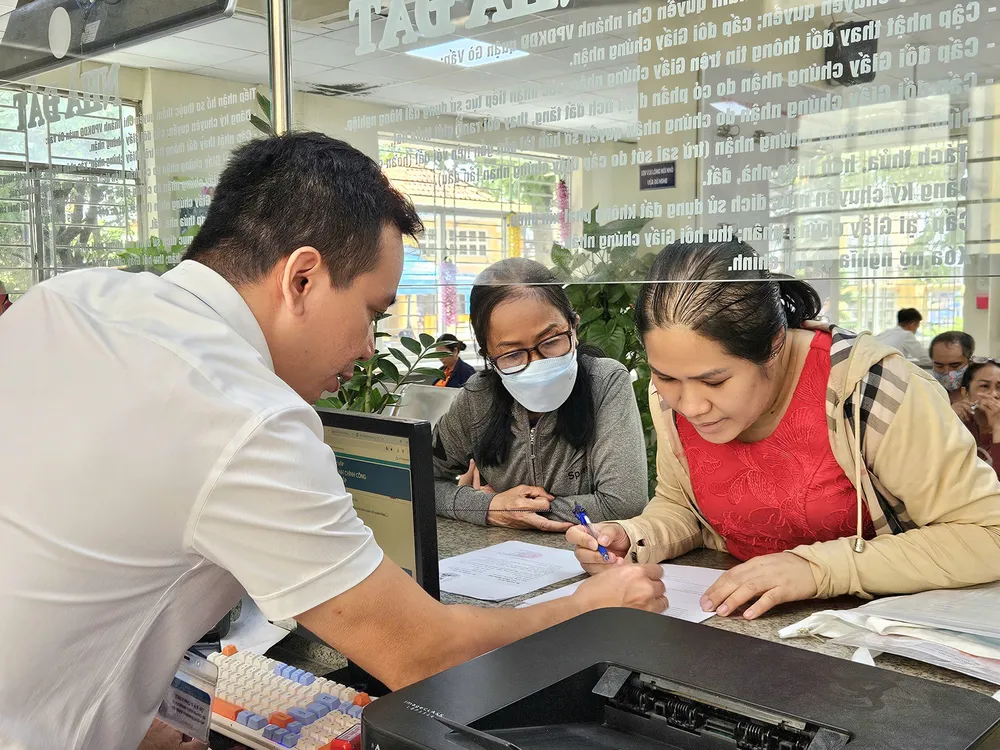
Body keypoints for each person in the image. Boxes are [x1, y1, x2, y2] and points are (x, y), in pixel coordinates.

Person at [0, 133, 667, 750]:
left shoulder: (67, 300)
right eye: (372, 313)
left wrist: (126, 715)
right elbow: (423, 655)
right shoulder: (243, 414)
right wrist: (586, 608)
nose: (365, 348)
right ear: (302, 279)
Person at [568, 240, 1000, 622]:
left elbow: (987, 535)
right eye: (665, 377)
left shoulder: (871, 388)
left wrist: (818, 569)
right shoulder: (674, 398)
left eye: (715, 382)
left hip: (879, 636)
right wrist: (635, 537)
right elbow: (684, 508)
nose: (690, 405)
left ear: (774, 345)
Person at [432, 258, 648, 531]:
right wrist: (487, 507)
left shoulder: (604, 383)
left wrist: (518, 510)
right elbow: (417, 481)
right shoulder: (478, 398)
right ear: (488, 355)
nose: (537, 363)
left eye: (551, 341)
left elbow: (623, 503)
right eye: (512, 354)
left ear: (574, 327)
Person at [956, 358, 1000, 476]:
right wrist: (948, 419)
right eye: (985, 386)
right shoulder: (959, 425)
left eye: (999, 387)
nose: (994, 394)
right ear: (965, 393)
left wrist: (997, 427)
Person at [930, 331, 975, 409]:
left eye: (954, 365)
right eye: (939, 366)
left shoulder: (983, 391)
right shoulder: (926, 392)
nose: (947, 372)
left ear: (970, 362)